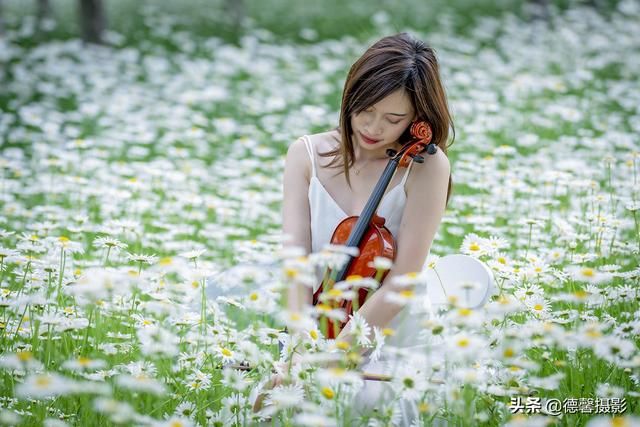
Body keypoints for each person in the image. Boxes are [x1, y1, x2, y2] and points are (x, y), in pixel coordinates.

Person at [255, 32, 455, 425]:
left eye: (394, 119)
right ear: (350, 96)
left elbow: (402, 281)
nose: (374, 127)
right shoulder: (306, 154)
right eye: (365, 109)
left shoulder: (427, 167)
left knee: (362, 405)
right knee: (264, 403)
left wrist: (338, 353)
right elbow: (296, 265)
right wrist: (301, 349)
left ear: (417, 119)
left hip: (391, 332)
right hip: (316, 324)